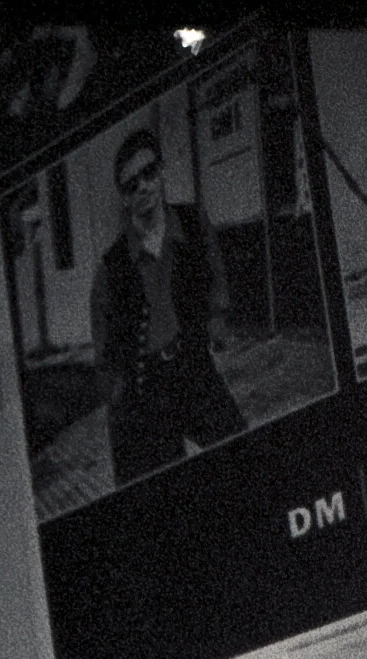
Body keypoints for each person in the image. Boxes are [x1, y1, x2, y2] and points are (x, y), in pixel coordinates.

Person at [89, 127, 247, 488]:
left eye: (149, 173)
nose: (143, 187)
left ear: (161, 172)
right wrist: (121, 397)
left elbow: (215, 269)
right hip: (149, 389)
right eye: (131, 185)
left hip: (194, 366)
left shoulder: (191, 222)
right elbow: (104, 347)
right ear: (124, 198)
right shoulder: (111, 267)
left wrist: (217, 317)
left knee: (239, 446)